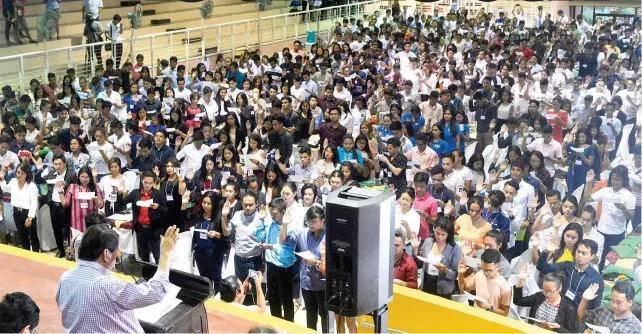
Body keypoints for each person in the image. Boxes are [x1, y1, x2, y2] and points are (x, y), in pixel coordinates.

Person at [56, 224, 180, 332]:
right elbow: (157, 291)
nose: (118, 254)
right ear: (106, 254)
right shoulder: (110, 286)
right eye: (116, 250)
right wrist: (165, 253)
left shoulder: (65, 279)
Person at [582, 167, 635, 271]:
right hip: (601, 230)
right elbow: (587, 198)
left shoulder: (629, 196)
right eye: (613, 179)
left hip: (616, 233)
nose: (615, 182)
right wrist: (588, 182)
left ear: (623, 180)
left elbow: (631, 216)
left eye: (618, 180)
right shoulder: (605, 191)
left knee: (611, 261)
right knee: (598, 258)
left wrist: (624, 209)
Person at [256, 197, 297, 321]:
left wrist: (273, 247)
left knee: (286, 300)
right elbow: (259, 236)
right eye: (270, 213)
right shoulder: (270, 224)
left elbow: (288, 253)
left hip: (284, 267)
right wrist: (262, 221)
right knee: (273, 298)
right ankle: (275, 324)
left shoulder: (292, 227)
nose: (272, 216)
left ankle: (288, 327)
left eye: (274, 214)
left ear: (283, 211)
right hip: (271, 264)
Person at [536, 239, 604, 311]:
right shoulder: (568, 265)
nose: (579, 255)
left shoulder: (596, 278)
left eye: (584, 253)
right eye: (578, 251)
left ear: (592, 256)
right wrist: (546, 251)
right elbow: (542, 268)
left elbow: (596, 307)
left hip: (578, 315)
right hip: (560, 309)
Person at [116, 171, 168, 263]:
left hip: (154, 228)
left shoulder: (158, 194)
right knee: (143, 253)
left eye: (150, 183)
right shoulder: (135, 193)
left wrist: (158, 207)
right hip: (140, 228)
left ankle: (159, 275)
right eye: (145, 182)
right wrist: (119, 193)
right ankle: (146, 274)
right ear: (141, 180)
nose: (148, 185)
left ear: (154, 182)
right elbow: (122, 202)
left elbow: (166, 211)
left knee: (157, 254)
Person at [35, 153, 77, 258]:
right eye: (55, 164)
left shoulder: (71, 174)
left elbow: (76, 187)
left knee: (67, 230)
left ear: (65, 164)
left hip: (66, 205)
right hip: (53, 204)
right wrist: (39, 170)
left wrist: (66, 185)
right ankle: (61, 250)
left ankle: (71, 252)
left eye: (59, 164)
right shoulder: (51, 172)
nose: (57, 166)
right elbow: (38, 180)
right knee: (56, 228)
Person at [513, 266, 579, 332]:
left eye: (551, 292)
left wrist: (559, 328)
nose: (547, 294)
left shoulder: (569, 309)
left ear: (559, 288)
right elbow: (518, 301)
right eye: (544, 290)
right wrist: (520, 279)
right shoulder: (539, 296)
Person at [294, 205, 328, 333]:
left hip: (322, 284)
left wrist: (316, 262)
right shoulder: (302, 233)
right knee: (310, 313)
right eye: (309, 222)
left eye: (315, 222)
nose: (312, 225)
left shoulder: (328, 237)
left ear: (323, 221)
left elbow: (333, 263)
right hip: (307, 282)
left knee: (325, 315)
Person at [412, 217, 461, 298]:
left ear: (448, 234)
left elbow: (454, 274)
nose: (439, 236)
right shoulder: (428, 242)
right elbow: (419, 264)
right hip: (426, 283)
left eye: (443, 234)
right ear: (434, 229)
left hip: (444, 289)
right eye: (437, 233)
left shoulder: (455, 248)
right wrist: (415, 249)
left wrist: (445, 270)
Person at [457, 249, 511, 316]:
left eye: (489, 270)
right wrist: (460, 274)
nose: (485, 273)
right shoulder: (479, 275)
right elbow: (463, 291)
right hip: (476, 317)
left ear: (498, 267)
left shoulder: (505, 287)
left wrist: (490, 308)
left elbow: (505, 313)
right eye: (483, 268)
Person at [1, 163, 39, 251]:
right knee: (22, 236)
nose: (19, 175)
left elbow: (34, 203)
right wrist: (2, 180)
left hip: (28, 214)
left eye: (22, 173)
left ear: (27, 174)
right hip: (16, 212)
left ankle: (36, 256)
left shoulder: (32, 186)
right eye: (18, 172)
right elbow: (6, 189)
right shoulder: (13, 181)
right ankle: (26, 255)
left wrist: (30, 217)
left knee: (33, 237)